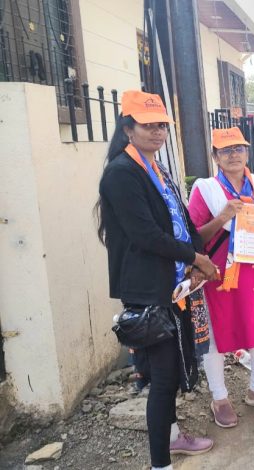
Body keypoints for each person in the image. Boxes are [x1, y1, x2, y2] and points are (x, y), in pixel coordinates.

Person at [97, 90, 219, 470]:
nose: (157, 132)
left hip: (174, 282)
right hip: (148, 289)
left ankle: (172, 436)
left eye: (162, 125)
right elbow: (145, 234)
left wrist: (196, 257)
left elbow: (181, 220)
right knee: (163, 378)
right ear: (128, 128)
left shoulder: (158, 168)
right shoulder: (121, 173)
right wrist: (196, 258)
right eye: (147, 125)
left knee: (174, 369)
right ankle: (160, 464)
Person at [187, 127, 254, 429]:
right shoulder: (205, 190)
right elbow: (193, 239)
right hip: (219, 273)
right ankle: (219, 398)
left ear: (247, 152)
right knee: (216, 333)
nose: (233, 155)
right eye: (226, 150)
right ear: (215, 156)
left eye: (239, 149)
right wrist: (222, 216)